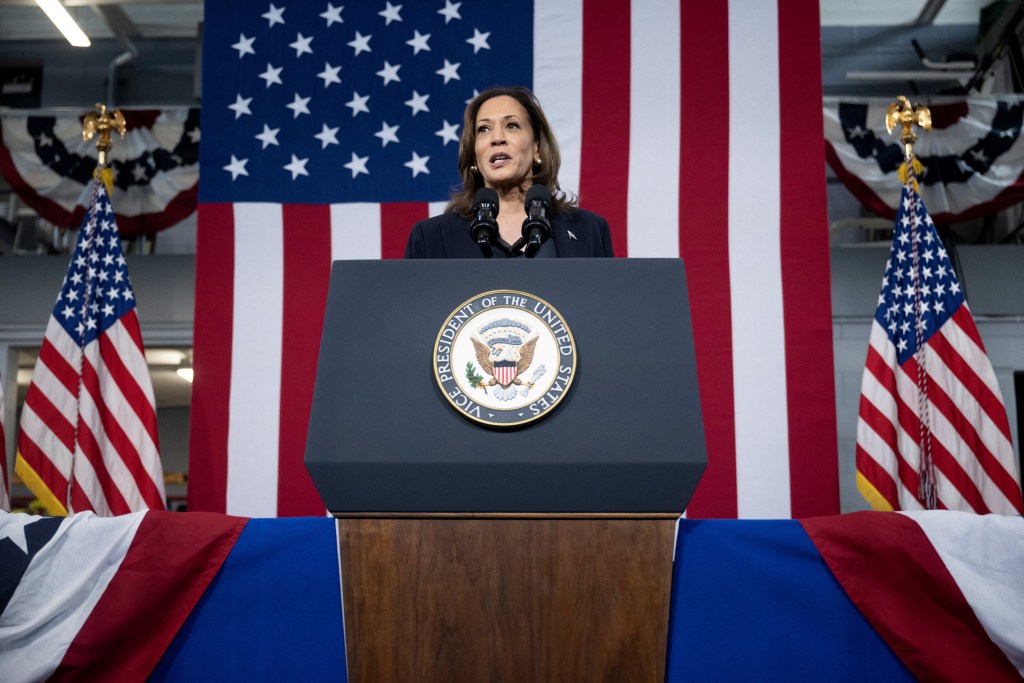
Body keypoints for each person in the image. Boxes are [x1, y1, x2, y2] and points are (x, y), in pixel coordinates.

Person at [404, 86, 614, 258]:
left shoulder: (589, 229)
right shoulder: (431, 238)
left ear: (537, 149)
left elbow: (604, 306)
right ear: (474, 155)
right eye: (484, 129)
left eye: (512, 125)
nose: (497, 138)